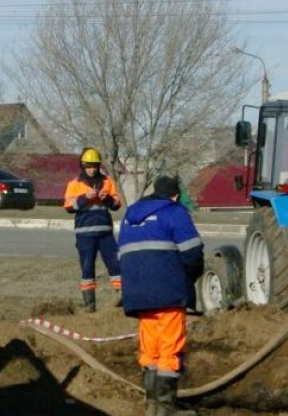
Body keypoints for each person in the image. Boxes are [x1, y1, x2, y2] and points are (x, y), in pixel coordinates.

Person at [118, 175, 204, 416]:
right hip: (168, 291)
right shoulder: (174, 212)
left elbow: (121, 253)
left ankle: (151, 407)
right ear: (175, 196)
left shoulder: (131, 215)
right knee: (170, 349)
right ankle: (166, 409)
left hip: (138, 293)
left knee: (150, 349)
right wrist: (190, 278)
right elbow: (192, 252)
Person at [63, 147, 123, 313]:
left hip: (105, 233)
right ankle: (90, 305)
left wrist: (108, 198)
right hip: (84, 234)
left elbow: (117, 204)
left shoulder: (107, 181)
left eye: (95, 165)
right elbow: (69, 207)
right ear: (83, 166)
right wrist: (85, 198)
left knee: (115, 265)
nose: (92, 169)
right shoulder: (74, 185)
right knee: (87, 267)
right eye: (89, 166)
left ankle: (122, 298)